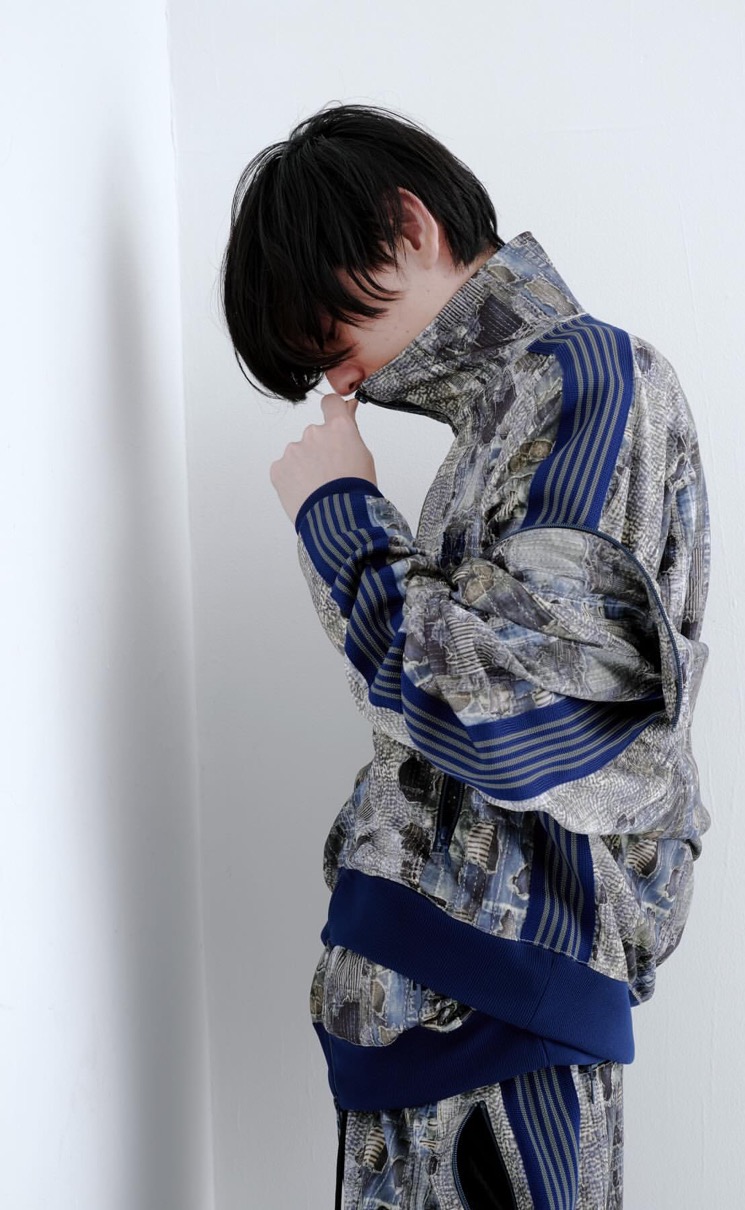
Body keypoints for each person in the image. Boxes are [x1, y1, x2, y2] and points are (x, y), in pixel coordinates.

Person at [219, 102, 712, 1210]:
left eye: (330, 334)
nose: (338, 384)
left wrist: (340, 517)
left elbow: (517, 718)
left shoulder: (591, 379)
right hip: (441, 1022)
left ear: (411, 226)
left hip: (500, 1023)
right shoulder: (502, 419)